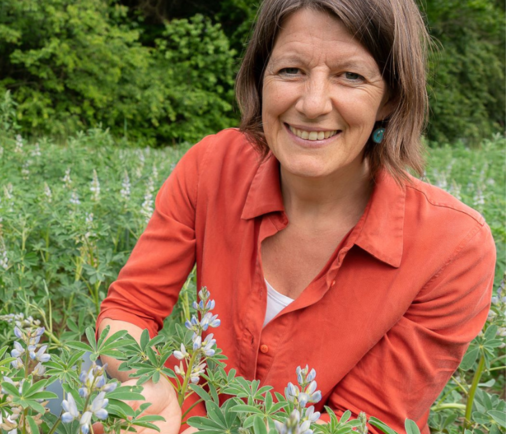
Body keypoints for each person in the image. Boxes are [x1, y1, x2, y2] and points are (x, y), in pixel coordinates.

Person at [96, 0, 497, 433]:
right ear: (261, 78)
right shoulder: (214, 164)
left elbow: (367, 422)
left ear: (390, 99)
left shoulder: (453, 246)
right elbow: (130, 309)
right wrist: (148, 391)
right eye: (291, 70)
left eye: (351, 76)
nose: (312, 103)